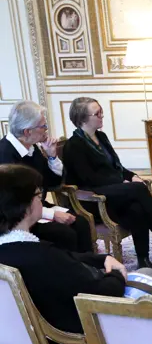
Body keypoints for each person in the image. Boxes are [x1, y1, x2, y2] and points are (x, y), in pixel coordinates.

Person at [0, 164, 127, 344]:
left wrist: (100, 258)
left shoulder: (16, 247)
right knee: (147, 279)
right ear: (25, 206)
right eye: (38, 194)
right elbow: (104, 293)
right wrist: (118, 274)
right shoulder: (42, 258)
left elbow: (63, 257)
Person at [62, 97, 152, 272]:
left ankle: (143, 260)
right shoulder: (73, 146)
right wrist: (123, 182)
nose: (102, 115)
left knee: (137, 208)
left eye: (101, 111)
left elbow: (117, 167)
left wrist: (132, 175)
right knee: (137, 189)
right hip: (93, 200)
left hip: (113, 194)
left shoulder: (101, 137)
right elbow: (89, 179)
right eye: (97, 113)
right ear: (83, 118)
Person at [0, 100, 93, 253]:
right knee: (64, 234)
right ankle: (69, 271)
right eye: (43, 126)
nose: (46, 130)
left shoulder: (31, 147)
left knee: (80, 222)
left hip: (35, 208)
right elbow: (14, 203)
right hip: (17, 219)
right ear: (27, 131)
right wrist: (53, 214)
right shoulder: (5, 155)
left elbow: (52, 184)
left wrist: (52, 157)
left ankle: (88, 268)